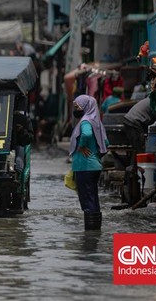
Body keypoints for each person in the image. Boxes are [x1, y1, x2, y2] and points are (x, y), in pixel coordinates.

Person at [69, 95, 108, 230]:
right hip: (94, 166)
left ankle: (90, 234)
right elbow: (105, 143)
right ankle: (95, 233)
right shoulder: (96, 122)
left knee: (87, 200)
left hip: (85, 166)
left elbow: (86, 134)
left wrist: (81, 146)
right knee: (93, 199)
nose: (76, 110)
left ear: (85, 107)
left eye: (78, 107)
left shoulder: (85, 122)